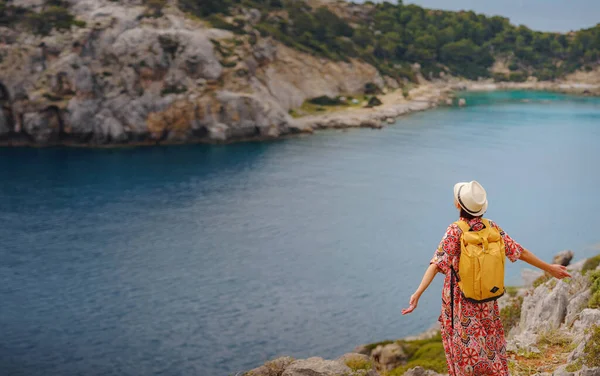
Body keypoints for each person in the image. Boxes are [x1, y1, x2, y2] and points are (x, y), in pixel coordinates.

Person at [401, 180, 571, 376]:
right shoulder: (492, 228)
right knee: (490, 345)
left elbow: (436, 264)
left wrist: (417, 294)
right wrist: (549, 268)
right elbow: (519, 252)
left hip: (461, 303)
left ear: (458, 205)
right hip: (487, 300)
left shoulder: (455, 231)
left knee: (465, 352)